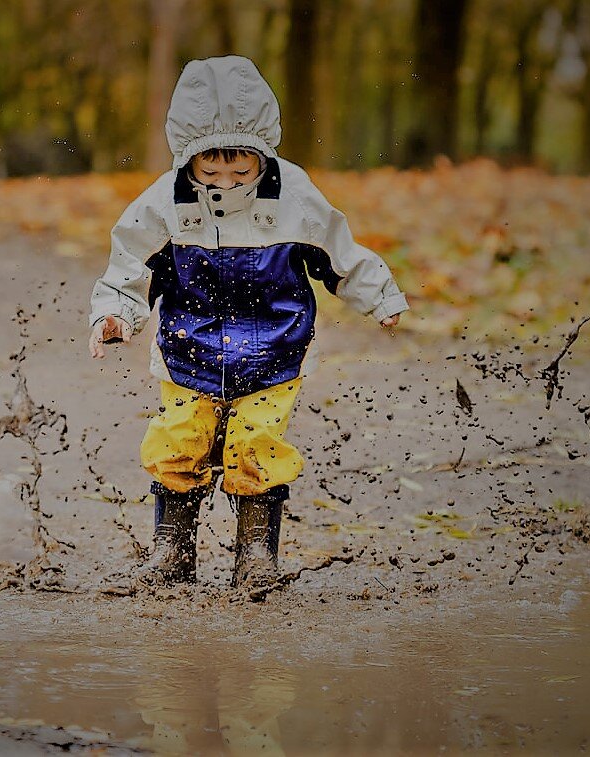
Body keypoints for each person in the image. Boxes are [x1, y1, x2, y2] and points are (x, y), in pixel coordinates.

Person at [88, 55, 407, 590]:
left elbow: (337, 252)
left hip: (275, 349)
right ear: (187, 160)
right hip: (187, 349)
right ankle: (173, 550)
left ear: (265, 154)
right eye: (210, 172)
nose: (227, 182)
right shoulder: (164, 202)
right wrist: (115, 315)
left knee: (256, 446)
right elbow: (129, 268)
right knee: (177, 441)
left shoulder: (295, 196)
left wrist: (378, 296)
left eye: (242, 171)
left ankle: (257, 552)